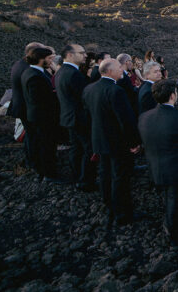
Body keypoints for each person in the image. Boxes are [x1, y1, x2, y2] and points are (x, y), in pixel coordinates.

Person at [138, 79, 178, 247]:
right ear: (173, 96)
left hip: (156, 167)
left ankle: (171, 224)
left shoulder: (144, 117)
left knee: (170, 199)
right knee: (176, 202)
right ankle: (175, 237)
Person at [82, 59, 140, 226]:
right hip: (117, 142)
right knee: (120, 177)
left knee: (105, 173)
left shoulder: (89, 89)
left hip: (99, 139)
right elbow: (126, 121)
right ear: (108, 71)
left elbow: (88, 115)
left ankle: (108, 204)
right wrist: (133, 142)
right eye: (119, 67)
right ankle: (123, 213)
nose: (122, 69)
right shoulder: (116, 91)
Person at [56, 44, 96, 191]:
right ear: (70, 55)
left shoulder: (62, 71)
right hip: (80, 118)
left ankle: (77, 176)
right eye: (81, 53)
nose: (85, 55)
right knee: (88, 150)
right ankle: (86, 181)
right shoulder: (73, 74)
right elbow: (84, 97)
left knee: (76, 149)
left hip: (69, 118)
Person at [21, 46, 62, 182]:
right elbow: (39, 100)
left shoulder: (32, 72)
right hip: (43, 118)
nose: (52, 61)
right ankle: (49, 174)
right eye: (49, 58)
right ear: (41, 59)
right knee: (46, 146)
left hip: (39, 116)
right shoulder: (35, 76)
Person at [8, 42, 44, 167]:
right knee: (32, 136)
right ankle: (33, 162)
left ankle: (31, 160)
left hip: (21, 105)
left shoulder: (19, 64)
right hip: (26, 107)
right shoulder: (28, 68)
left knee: (30, 135)